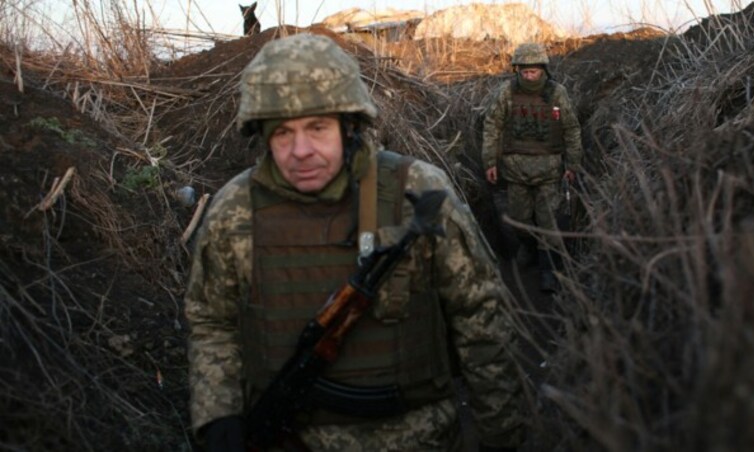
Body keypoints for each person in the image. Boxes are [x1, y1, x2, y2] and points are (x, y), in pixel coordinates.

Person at [184, 33, 525, 451]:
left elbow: (482, 319)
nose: (301, 150)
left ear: (350, 126)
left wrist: (503, 435)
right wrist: (218, 415)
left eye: (317, 127)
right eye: (283, 133)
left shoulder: (415, 191)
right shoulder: (234, 210)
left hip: (419, 439)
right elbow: (211, 321)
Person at [481, 42, 583, 293]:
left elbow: (571, 129)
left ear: (543, 70)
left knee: (549, 222)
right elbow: (492, 126)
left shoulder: (557, 93)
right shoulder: (506, 92)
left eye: (533, 72)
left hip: (549, 171)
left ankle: (548, 270)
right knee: (519, 219)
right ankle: (528, 247)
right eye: (524, 72)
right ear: (517, 70)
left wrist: (572, 163)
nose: (528, 76)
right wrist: (489, 161)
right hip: (516, 171)